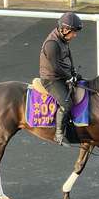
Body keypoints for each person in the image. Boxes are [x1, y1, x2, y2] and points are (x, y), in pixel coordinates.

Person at [39, 12, 83, 146]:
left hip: (62, 75)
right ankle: (58, 134)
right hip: (51, 79)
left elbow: (69, 58)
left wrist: (74, 72)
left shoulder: (63, 39)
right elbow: (56, 68)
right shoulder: (52, 44)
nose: (75, 35)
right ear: (64, 30)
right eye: (73, 32)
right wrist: (70, 77)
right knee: (67, 103)